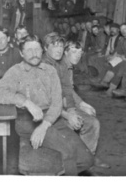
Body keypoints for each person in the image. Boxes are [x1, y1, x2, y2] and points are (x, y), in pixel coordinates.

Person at [0, 35, 94, 176]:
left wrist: (44, 126)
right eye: (29, 50)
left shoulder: (50, 71)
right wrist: (26, 102)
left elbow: (57, 103)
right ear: (21, 53)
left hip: (52, 119)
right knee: (68, 154)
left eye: (37, 49)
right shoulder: (16, 71)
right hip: (28, 121)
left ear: (42, 51)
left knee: (86, 160)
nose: (34, 54)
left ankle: (57, 172)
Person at [41, 33, 107, 168]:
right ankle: (72, 162)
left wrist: (76, 107)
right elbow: (48, 103)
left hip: (61, 107)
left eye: (60, 46)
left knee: (92, 122)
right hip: (46, 112)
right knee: (73, 126)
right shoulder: (44, 66)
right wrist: (68, 114)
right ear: (45, 48)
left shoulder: (61, 65)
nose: (58, 50)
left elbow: (67, 91)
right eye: (54, 46)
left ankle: (87, 158)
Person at [99, 23, 126, 91]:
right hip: (123, 58)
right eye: (121, 29)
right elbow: (118, 50)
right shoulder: (122, 39)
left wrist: (119, 56)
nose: (123, 31)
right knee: (111, 63)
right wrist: (112, 57)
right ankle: (104, 82)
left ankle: (111, 88)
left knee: (118, 66)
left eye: (125, 29)